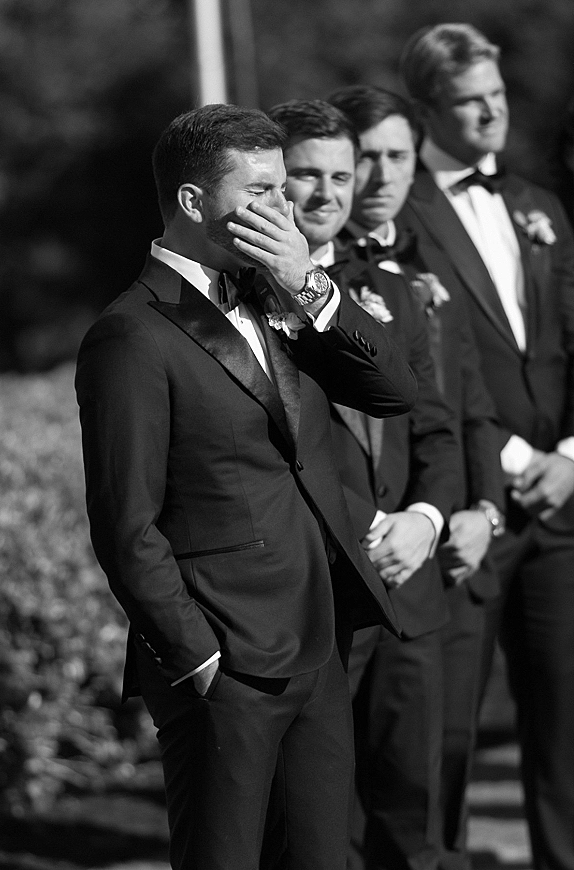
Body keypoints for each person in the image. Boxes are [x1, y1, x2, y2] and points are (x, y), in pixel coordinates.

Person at [75, 103, 418, 870]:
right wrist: (198, 658)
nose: (285, 208)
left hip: (318, 644)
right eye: (262, 191)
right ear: (194, 202)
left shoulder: (275, 291)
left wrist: (306, 279)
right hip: (224, 663)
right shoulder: (130, 334)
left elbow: (396, 389)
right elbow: (125, 523)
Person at [268, 97, 466, 870]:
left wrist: (425, 517)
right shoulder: (240, 300)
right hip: (317, 604)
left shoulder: (394, 289)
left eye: (341, 177)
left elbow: (438, 428)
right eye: (305, 176)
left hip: (409, 595)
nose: (328, 194)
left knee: (413, 828)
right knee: (318, 831)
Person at [399, 23, 574, 870]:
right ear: (430, 107)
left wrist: (571, 456)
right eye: (472, 100)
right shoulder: (403, 216)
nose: (493, 113)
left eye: (499, 96)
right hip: (475, 501)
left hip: (564, 500)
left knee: (569, 731)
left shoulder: (541, 206)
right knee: (449, 733)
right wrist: (509, 465)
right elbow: (426, 371)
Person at [326, 83, 505, 870]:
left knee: (420, 804)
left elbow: (456, 411)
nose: (383, 174)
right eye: (367, 157)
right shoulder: (294, 277)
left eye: (399, 156)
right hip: (330, 584)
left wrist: (456, 513)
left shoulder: (422, 273)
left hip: (422, 568)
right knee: (327, 818)